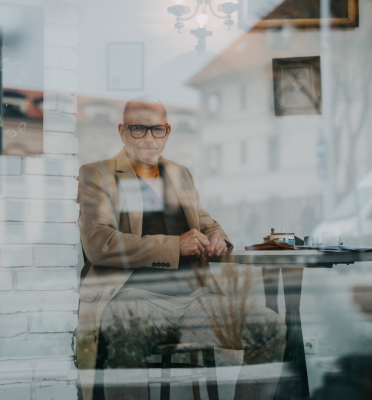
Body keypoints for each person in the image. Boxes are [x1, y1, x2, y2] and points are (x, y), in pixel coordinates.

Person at [76, 96, 286, 400]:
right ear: (122, 131)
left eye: (156, 130)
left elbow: (206, 222)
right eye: (138, 129)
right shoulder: (97, 174)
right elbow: (99, 243)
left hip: (196, 301)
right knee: (124, 328)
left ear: (167, 132)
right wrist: (176, 246)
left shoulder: (180, 174)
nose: (148, 138)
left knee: (271, 327)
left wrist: (218, 239)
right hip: (134, 299)